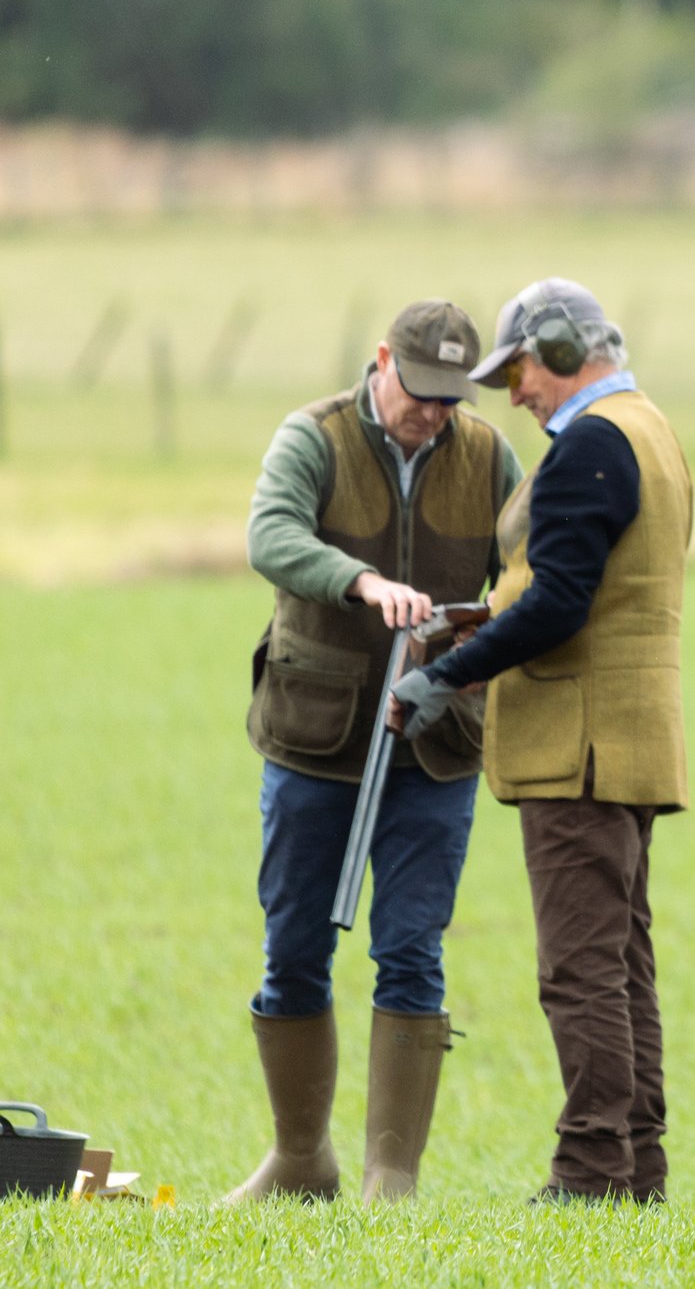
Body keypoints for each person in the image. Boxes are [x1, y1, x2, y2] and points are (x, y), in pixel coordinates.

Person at [389, 278, 692, 1203]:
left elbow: (561, 602)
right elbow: (589, 584)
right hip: (632, 740)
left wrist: (444, 673)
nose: (512, 392)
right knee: (622, 961)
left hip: (579, 745)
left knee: (580, 970)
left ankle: (593, 1171)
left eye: (518, 369)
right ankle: (636, 1167)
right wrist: (486, 623)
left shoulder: (590, 446)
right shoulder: (650, 430)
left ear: (561, 349)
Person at [231, 299, 522, 1203]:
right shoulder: (313, 435)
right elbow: (270, 535)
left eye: (450, 398)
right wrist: (360, 581)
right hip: (317, 739)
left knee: (412, 950)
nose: (432, 412)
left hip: (434, 748)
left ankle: (390, 1176)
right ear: (382, 360)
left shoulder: (489, 457)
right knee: (294, 949)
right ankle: (299, 1160)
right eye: (421, 391)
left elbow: (525, 568)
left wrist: (485, 638)